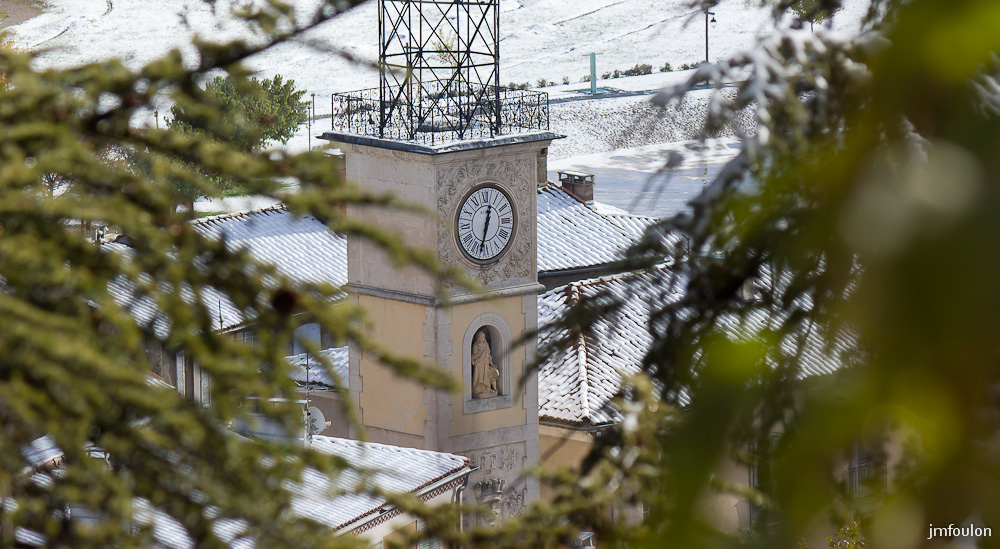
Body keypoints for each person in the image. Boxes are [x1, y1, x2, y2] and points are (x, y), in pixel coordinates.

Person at [472, 330, 500, 399]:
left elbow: (489, 356)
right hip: (479, 364)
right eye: (481, 337)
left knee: (486, 376)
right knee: (480, 377)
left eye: (483, 337)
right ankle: (478, 389)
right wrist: (478, 354)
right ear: (478, 337)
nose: (483, 338)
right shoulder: (476, 346)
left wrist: (492, 364)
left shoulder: (486, 345)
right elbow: (473, 356)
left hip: (486, 364)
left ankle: (486, 388)